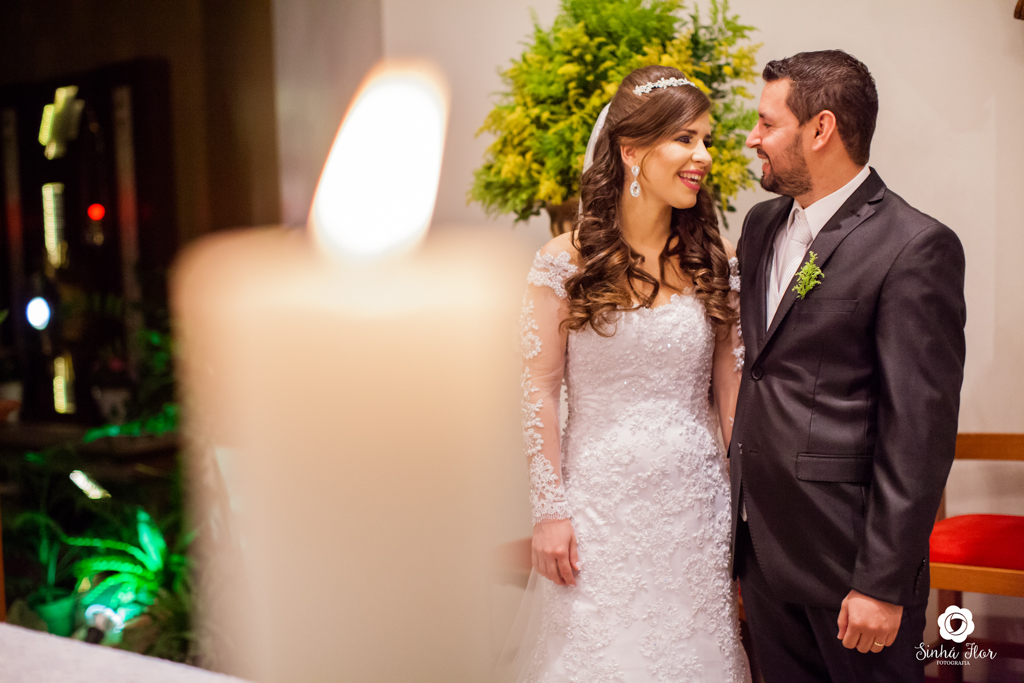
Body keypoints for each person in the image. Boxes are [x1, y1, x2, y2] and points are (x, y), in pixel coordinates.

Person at [501, 65, 750, 682]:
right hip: (598, 511)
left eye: (707, 140)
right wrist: (549, 510)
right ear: (631, 151)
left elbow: (731, 390)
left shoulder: (715, 261)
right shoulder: (564, 263)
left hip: (697, 506)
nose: (704, 156)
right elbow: (538, 390)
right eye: (686, 139)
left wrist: (746, 506)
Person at [730, 50, 966, 682]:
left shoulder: (914, 246)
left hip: (849, 561)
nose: (752, 138)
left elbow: (918, 432)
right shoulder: (760, 226)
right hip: (763, 547)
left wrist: (882, 582)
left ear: (821, 129)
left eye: (767, 123)